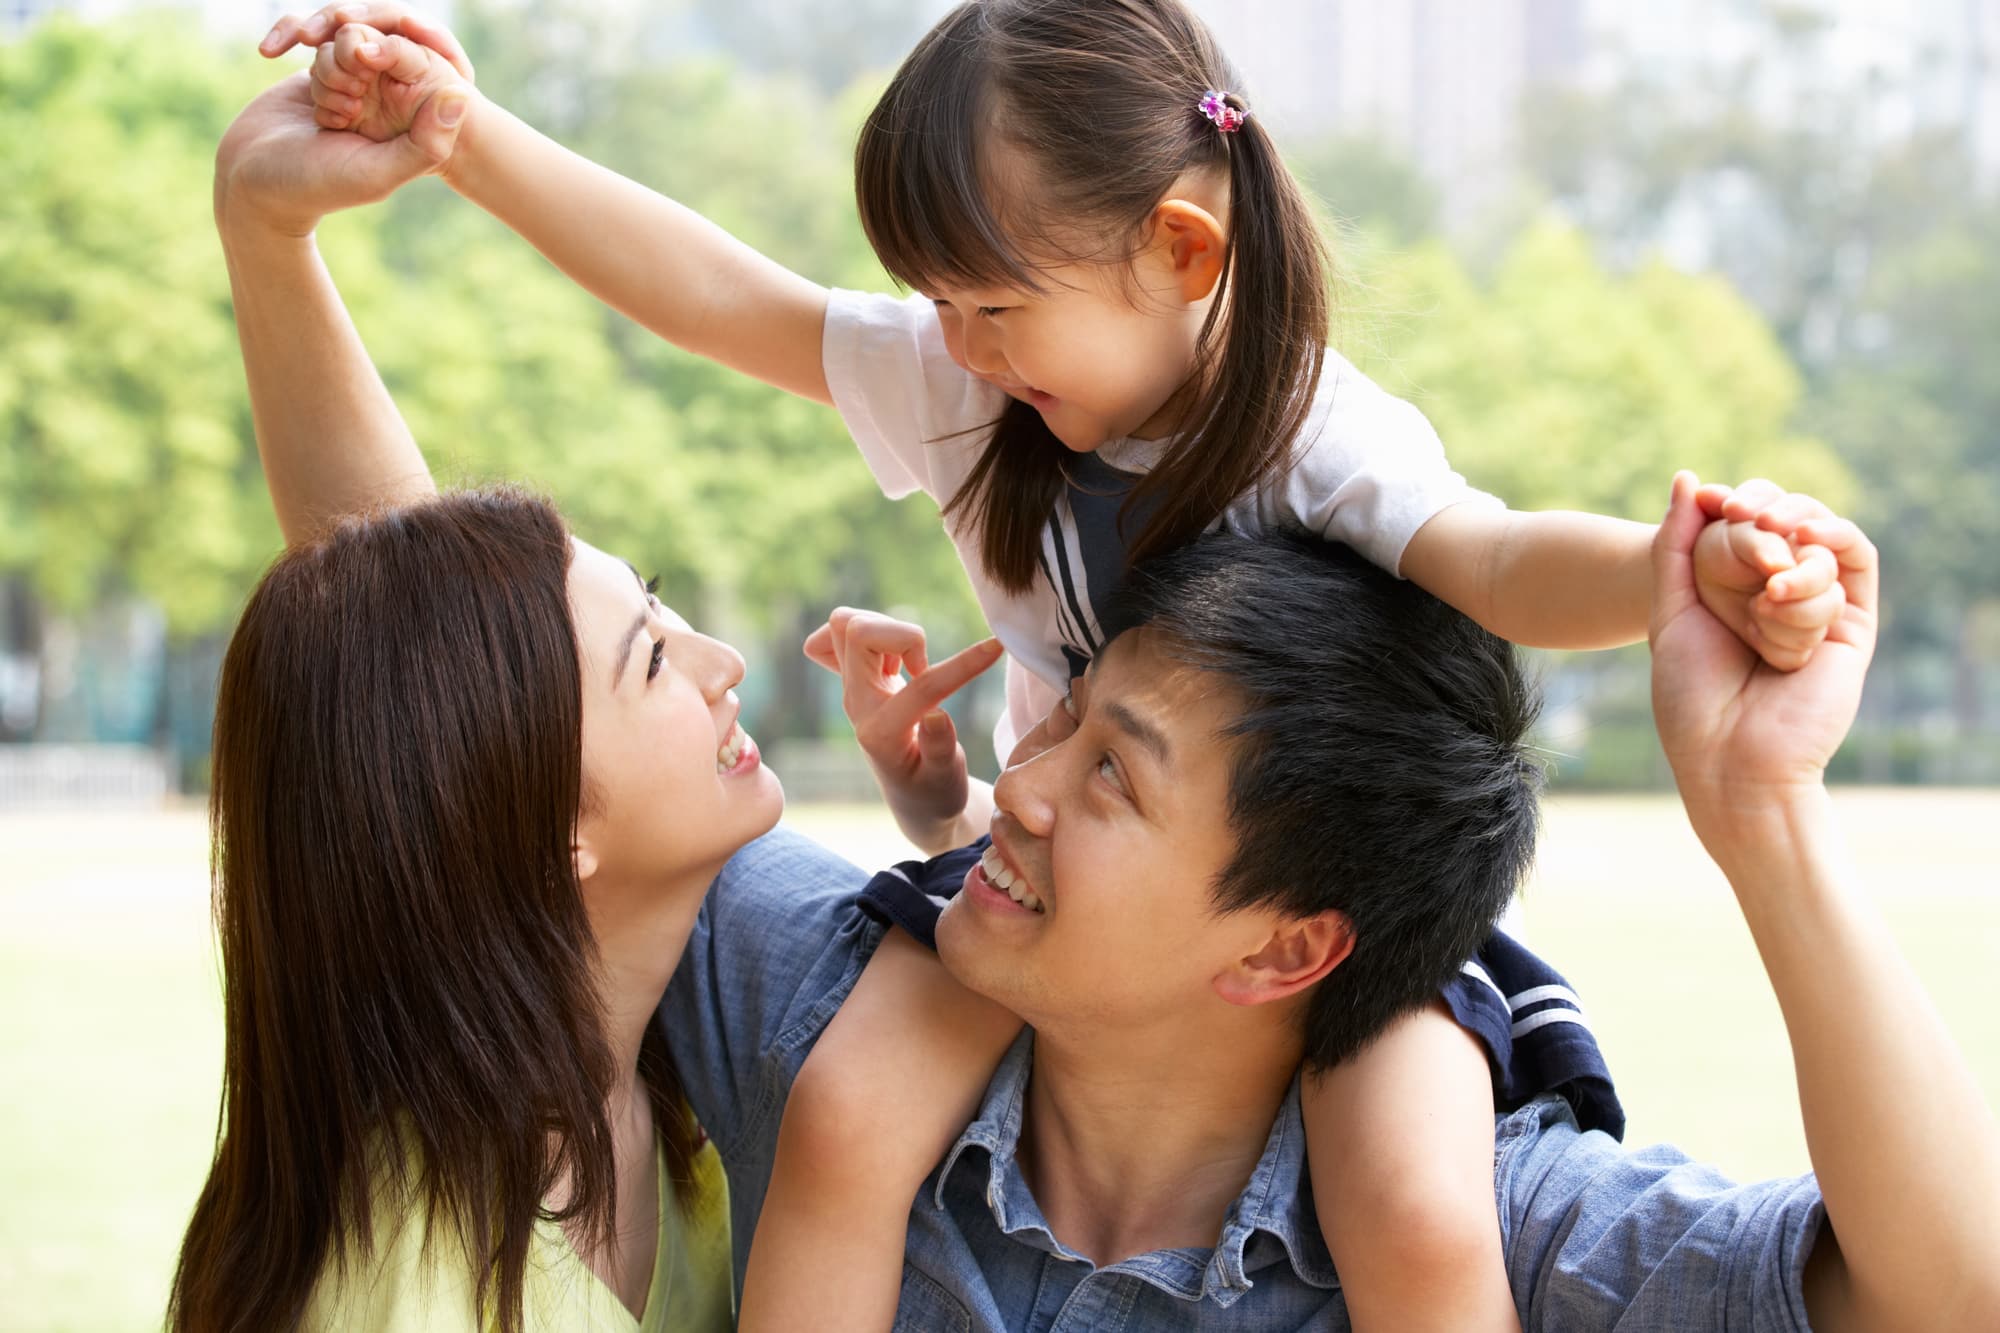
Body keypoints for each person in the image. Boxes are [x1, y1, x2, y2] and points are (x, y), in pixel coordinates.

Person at [208, 60, 2000, 1332]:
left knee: (1418, 1212)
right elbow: (434, 692)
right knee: (851, 1110)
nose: (1035, 777)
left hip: (1396, 976)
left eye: (1118, 764)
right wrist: (408, 171)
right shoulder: (814, 993)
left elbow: (1497, 552)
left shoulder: (1321, 447)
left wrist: (1702, 645)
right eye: (1064, 722)